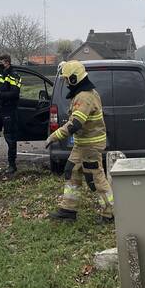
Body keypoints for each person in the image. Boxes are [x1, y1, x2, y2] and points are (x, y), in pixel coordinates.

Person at [46, 61, 114, 223]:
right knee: (72, 172)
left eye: (67, 79)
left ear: (74, 79)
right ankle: (68, 210)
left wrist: (54, 136)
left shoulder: (84, 97)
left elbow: (75, 123)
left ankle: (110, 213)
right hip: (82, 144)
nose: (66, 83)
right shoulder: (84, 93)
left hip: (90, 146)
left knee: (95, 179)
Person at [0, 53, 21, 174]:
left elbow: (14, 93)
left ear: (7, 62)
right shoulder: (1, 73)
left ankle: (12, 165)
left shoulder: (14, 75)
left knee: (10, 137)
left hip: (9, 110)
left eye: (1, 63)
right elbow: (0, 87)